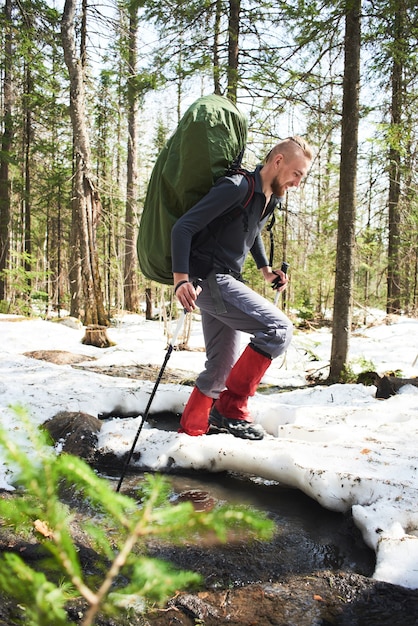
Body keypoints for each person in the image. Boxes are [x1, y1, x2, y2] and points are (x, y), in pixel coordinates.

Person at [172, 136, 313, 440]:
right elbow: (183, 227)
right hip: (209, 280)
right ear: (278, 161)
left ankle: (190, 434)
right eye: (296, 174)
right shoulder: (236, 187)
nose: (297, 183)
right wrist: (180, 279)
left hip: (225, 281)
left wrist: (265, 270)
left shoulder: (269, 198)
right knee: (278, 330)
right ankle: (231, 409)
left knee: (221, 366)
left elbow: (253, 231)